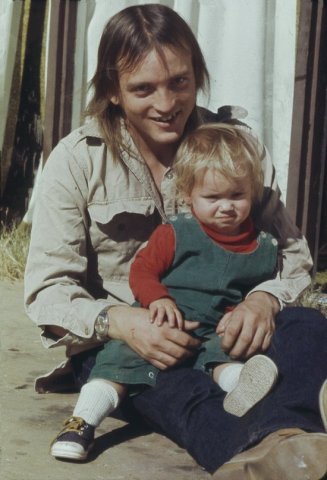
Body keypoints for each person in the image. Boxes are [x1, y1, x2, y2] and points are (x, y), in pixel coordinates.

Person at [24, 4, 327, 479]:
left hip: (225, 333)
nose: (166, 103)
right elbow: (47, 291)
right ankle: (275, 447)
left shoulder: (235, 147)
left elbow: (292, 254)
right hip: (127, 351)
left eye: (179, 82)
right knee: (182, 390)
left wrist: (264, 301)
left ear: (197, 74)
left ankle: (286, 444)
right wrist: (121, 321)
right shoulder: (77, 161)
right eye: (143, 88)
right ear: (112, 92)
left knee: (308, 327)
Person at [50, 124, 280, 460]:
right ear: (190, 197)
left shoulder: (262, 246)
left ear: (254, 193)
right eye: (212, 198)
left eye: (237, 196)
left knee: (222, 356)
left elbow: (254, 286)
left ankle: (244, 386)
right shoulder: (176, 233)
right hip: (161, 322)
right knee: (119, 364)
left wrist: (251, 306)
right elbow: (142, 270)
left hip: (214, 329)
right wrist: (157, 298)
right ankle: (82, 421)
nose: (226, 207)